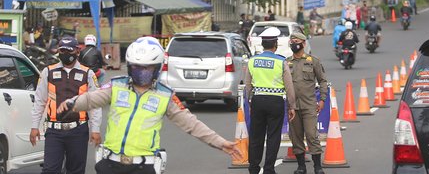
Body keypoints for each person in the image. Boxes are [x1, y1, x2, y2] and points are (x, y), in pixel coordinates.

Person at [56, 37, 241, 174]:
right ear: (129, 66)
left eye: (147, 68)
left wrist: (220, 143)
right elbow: (91, 98)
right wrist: (72, 103)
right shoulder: (117, 85)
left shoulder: (165, 95)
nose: (141, 73)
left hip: (144, 166)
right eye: (136, 67)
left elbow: (191, 124)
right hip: (111, 163)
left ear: (157, 68)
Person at [30, 36, 102, 174]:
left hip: (78, 130)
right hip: (54, 131)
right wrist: (34, 126)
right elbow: (39, 100)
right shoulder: (48, 72)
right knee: (50, 170)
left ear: (77, 51)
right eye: (62, 50)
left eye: (69, 50)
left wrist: (96, 129)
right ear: (58, 51)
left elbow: (94, 104)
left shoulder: (87, 73)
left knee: (76, 170)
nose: (66, 54)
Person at [244, 27, 296, 174]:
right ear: (276, 44)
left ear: (262, 44)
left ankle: (253, 168)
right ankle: (268, 169)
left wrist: (250, 101)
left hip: (258, 100)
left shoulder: (253, 61)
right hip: (276, 102)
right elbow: (289, 86)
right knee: (273, 136)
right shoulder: (281, 62)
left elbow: (248, 85)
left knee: (256, 136)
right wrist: (292, 106)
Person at [286, 32, 328, 174]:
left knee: (311, 135)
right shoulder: (286, 62)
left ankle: (317, 167)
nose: (293, 44)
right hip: (292, 106)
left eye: (296, 41)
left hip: (309, 105)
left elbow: (322, 81)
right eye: (291, 42)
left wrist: (322, 99)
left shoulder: (313, 61)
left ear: (303, 43)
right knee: (296, 137)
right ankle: (301, 167)